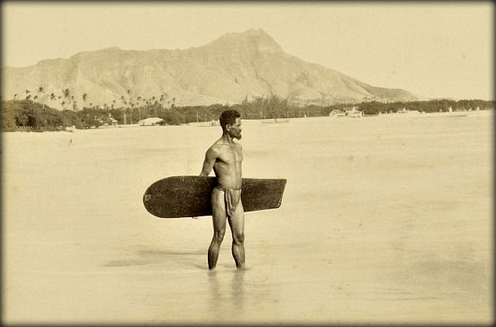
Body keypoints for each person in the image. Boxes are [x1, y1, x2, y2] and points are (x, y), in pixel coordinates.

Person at [200, 110, 245, 270]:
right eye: (238, 125)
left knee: (239, 237)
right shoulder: (215, 150)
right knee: (219, 236)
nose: (241, 129)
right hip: (220, 195)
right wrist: (194, 203)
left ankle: (241, 275)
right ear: (228, 127)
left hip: (237, 196)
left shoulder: (238, 148)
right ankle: (211, 273)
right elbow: (203, 176)